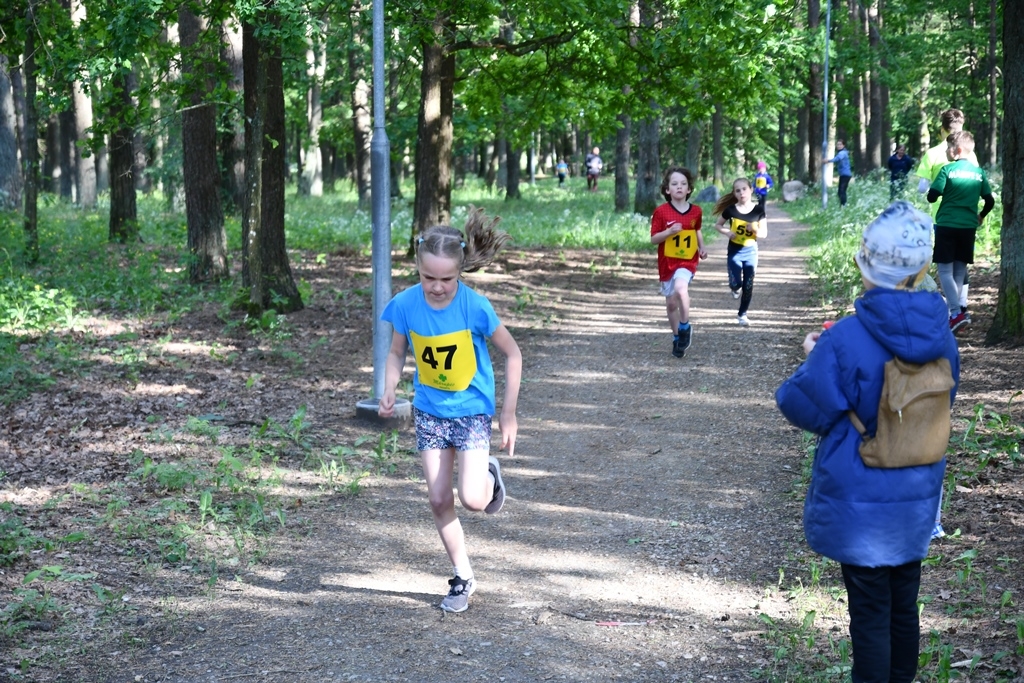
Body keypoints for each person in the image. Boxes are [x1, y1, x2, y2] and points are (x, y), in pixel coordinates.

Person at [776, 201, 960, 683]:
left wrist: (814, 355)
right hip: (917, 498)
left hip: (862, 503)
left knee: (872, 614)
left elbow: (800, 405)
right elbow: (946, 398)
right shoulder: (943, 337)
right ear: (923, 268)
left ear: (865, 266)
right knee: (905, 606)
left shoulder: (846, 338)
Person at [378, 207, 523, 614]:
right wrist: (389, 388)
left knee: (473, 500)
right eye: (429, 278)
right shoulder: (406, 305)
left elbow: (513, 354)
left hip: (472, 411)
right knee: (440, 498)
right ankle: (463, 575)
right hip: (429, 411)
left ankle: (488, 476)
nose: (437, 287)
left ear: (459, 272)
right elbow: (395, 352)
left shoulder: (475, 307)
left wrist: (507, 414)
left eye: (447, 279)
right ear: (418, 268)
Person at [915, 108, 979, 322]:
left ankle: (954, 312)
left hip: (942, 218)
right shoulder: (970, 154)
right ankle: (962, 307)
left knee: (945, 265)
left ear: (942, 129)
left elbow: (922, 188)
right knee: (961, 264)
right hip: (968, 216)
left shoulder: (933, 153)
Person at [928, 130, 995, 333]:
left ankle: (956, 312)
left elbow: (932, 196)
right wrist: (981, 215)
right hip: (968, 227)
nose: (947, 151)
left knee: (944, 271)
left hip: (947, 225)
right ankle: (956, 315)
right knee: (959, 271)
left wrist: (937, 192)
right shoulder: (979, 172)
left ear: (956, 150)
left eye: (948, 147)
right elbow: (990, 200)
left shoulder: (947, 170)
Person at [649, 166, 707, 357]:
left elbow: (696, 230)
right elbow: (654, 239)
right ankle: (677, 338)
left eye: (683, 184)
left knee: (681, 289)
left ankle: (685, 326)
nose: (679, 187)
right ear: (667, 189)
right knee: (671, 304)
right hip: (667, 263)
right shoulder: (661, 212)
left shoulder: (696, 211)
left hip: (687, 261)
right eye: (674, 184)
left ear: (689, 189)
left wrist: (702, 246)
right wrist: (668, 232)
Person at [712, 178, 767, 326]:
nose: (741, 192)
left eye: (744, 189)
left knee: (748, 284)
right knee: (736, 282)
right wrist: (727, 232)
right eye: (738, 190)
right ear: (734, 194)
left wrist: (754, 229)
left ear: (751, 190)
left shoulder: (758, 210)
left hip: (751, 251)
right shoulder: (730, 210)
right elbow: (718, 225)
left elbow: (764, 234)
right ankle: (735, 287)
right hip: (735, 250)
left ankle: (742, 314)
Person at [824, 139, 853, 207]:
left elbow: (837, 158)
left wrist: (828, 160)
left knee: (841, 191)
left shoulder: (842, 153)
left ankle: (843, 205)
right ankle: (843, 205)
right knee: (841, 191)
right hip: (844, 175)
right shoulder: (843, 152)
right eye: (838, 144)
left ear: (843, 145)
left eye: (840, 144)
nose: (839, 146)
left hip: (845, 175)